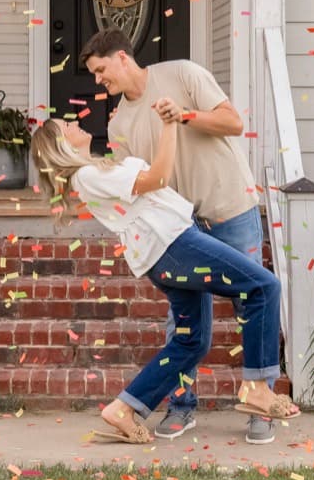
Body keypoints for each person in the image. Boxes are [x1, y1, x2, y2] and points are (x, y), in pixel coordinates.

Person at [29, 114, 299, 443]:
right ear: (60, 145)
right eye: (66, 127)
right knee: (263, 286)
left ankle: (124, 408)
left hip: (166, 252)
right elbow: (157, 178)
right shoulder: (87, 175)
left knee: (190, 341)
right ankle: (256, 386)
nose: (74, 124)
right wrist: (170, 125)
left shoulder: (93, 171)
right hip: (175, 244)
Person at [79, 28, 274, 443]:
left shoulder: (183, 74)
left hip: (229, 206)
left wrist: (183, 116)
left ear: (122, 58)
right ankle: (181, 406)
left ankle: (261, 405)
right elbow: (142, 185)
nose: (98, 80)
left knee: (253, 299)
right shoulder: (118, 126)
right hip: (181, 229)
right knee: (182, 326)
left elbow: (233, 123)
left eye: (101, 70)